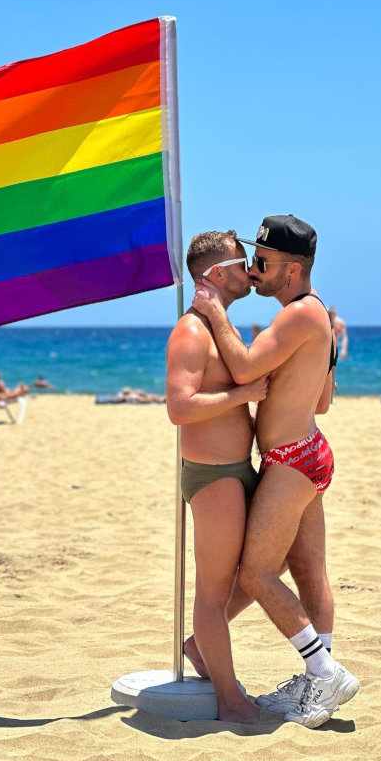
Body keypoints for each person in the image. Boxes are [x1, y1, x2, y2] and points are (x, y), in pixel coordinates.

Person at [192, 215, 359, 728]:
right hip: (310, 451)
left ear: (291, 269)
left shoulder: (296, 316)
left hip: (290, 460)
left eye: (262, 263)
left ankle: (323, 670)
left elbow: (242, 368)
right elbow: (324, 401)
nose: (255, 271)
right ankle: (320, 687)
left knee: (257, 573)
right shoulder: (317, 318)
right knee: (308, 571)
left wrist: (214, 311)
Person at [166, 230, 269, 722]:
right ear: (217, 274)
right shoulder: (189, 331)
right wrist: (238, 400)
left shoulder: (218, 324)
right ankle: (229, 699)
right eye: (241, 259)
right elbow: (179, 407)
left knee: (266, 567)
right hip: (213, 474)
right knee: (212, 590)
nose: (250, 266)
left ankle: (198, 644)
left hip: (240, 468)